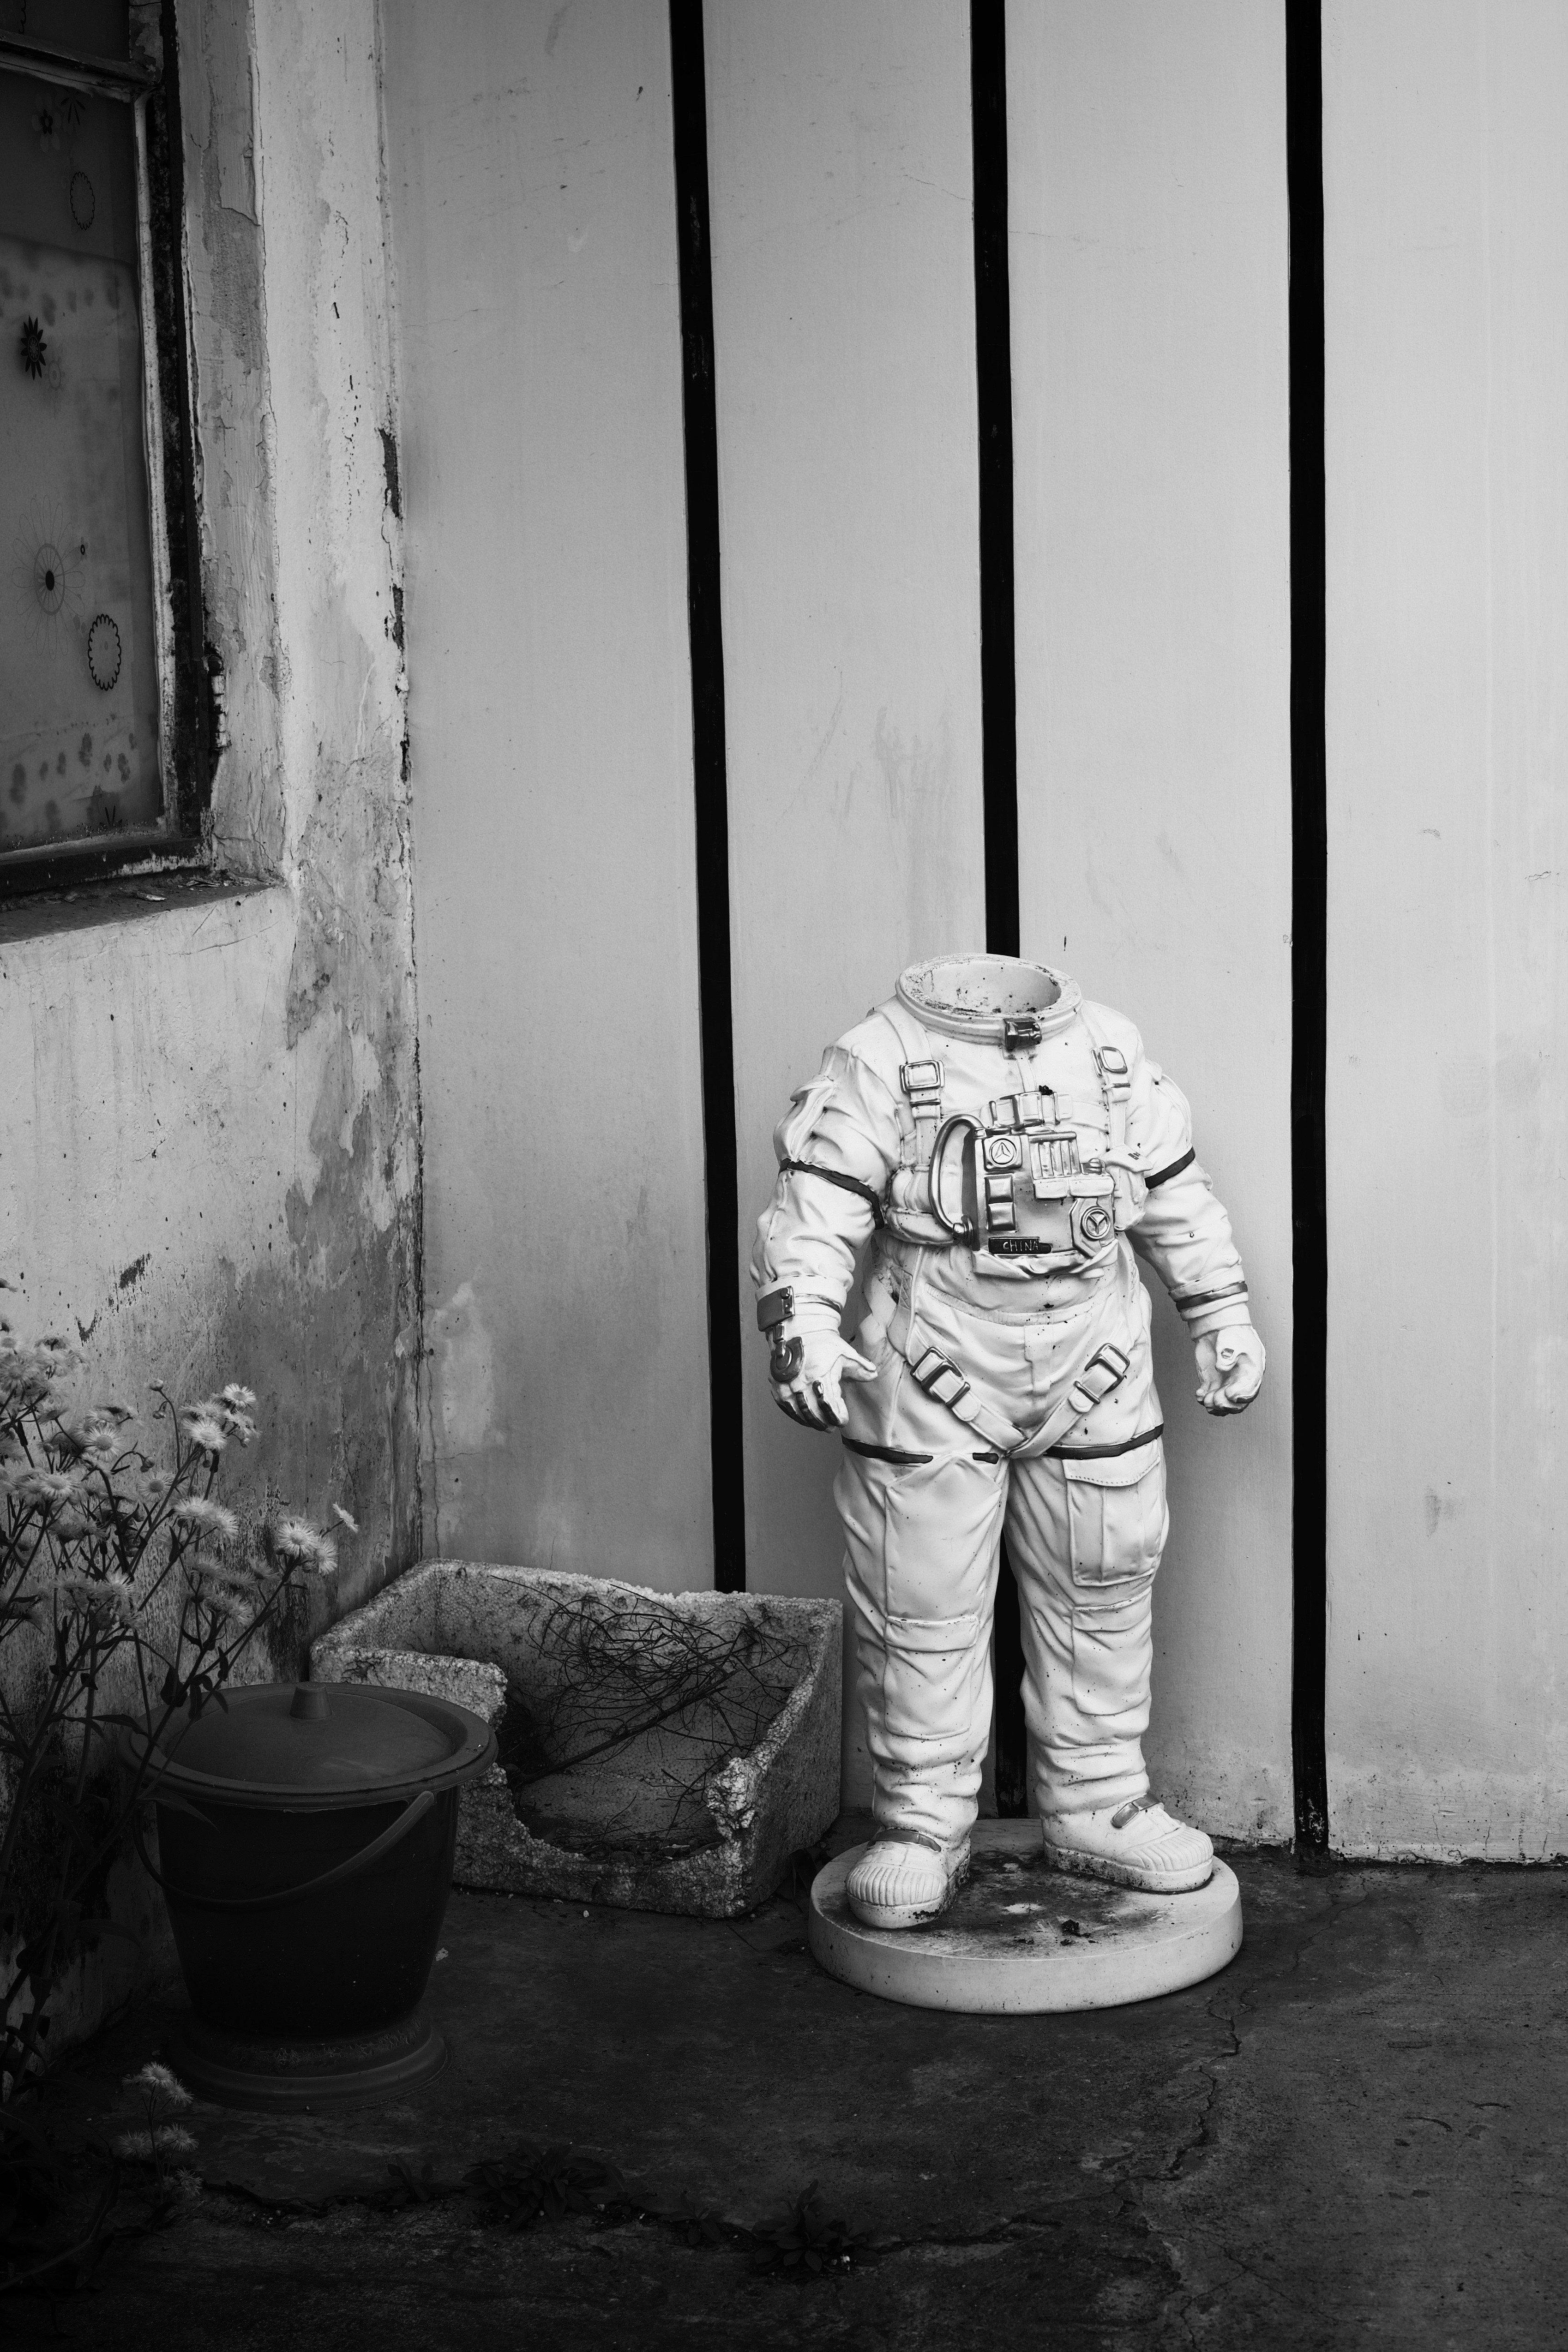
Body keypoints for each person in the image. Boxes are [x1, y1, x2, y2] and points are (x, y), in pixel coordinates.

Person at [752, 954, 1264, 1932]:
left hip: (1097, 1362)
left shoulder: (1109, 1051)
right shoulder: (883, 1054)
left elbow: (1176, 1196)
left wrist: (1222, 1318)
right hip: (930, 1364)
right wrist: (806, 1325)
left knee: (1103, 1586)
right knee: (920, 1601)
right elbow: (814, 1203)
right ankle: (919, 1824)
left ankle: (1099, 1800)